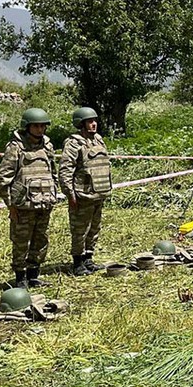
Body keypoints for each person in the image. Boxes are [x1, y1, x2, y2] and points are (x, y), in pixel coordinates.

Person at [0, 108, 58, 289]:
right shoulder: (16, 147)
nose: (40, 129)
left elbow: (52, 173)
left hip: (44, 204)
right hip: (23, 206)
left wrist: (52, 194)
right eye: (36, 126)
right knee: (21, 241)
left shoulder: (47, 146)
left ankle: (33, 275)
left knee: (40, 240)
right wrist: (10, 205)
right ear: (27, 127)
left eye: (42, 126)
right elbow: (2, 179)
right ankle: (20, 277)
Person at [59, 107, 111, 276]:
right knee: (80, 229)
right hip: (82, 196)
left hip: (98, 193)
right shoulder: (73, 143)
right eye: (89, 121)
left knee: (94, 228)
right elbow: (66, 170)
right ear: (81, 124)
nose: (94, 124)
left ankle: (88, 258)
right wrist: (70, 194)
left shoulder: (98, 140)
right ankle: (78, 262)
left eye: (94, 121)